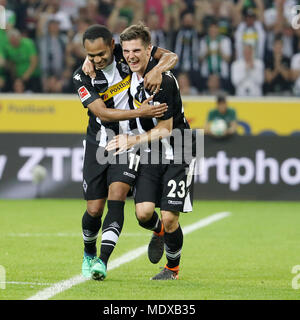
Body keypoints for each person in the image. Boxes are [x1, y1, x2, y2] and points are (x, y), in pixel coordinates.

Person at [73, 24, 178, 281]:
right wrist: (140, 112)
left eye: (100, 54)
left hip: (129, 139)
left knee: (118, 193)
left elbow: (171, 56)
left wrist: (157, 69)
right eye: (91, 55)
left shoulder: (126, 53)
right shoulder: (82, 76)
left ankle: (102, 262)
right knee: (94, 209)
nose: (97, 60)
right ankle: (89, 253)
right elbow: (102, 112)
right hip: (99, 141)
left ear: (111, 45)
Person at [106, 23, 196, 280]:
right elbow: (99, 57)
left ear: (149, 51)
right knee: (144, 213)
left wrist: (130, 141)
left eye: (137, 50)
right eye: (126, 51)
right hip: (152, 152)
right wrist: (87, 66)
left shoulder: (162, 81)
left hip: (178, 150)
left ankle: (172, 268)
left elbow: (166, 129)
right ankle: (158, 233)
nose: (131, 56)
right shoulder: (125, 69)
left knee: (169, 217)